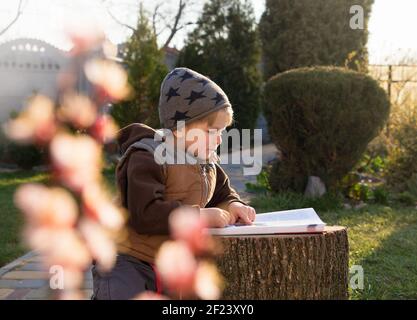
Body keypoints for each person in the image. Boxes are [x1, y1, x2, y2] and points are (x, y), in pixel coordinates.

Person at [91, 67, 256, 300]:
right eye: (211, 131)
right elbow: (145, 214)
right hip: (127, 259)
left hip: (169, 261)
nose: (219, 139)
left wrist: (234, 205)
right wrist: (198, 216)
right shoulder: (148, 156)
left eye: (222, 131)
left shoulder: (205, 162)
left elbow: (223, 193)